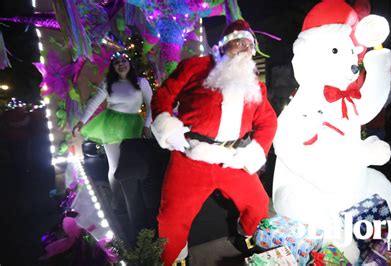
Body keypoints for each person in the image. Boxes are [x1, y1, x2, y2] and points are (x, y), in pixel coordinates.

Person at [150, 19, 277, 265]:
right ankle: (176, 258)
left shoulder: (255, 86)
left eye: (248, 44)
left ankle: (249, 240)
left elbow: (268, 122)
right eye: (237, 42)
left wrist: (254, 151)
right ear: (224, 45)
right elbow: (163, 95)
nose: (242, 48)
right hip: (190, 156)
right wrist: (168, 126)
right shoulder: (196, 66)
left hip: (232, 159)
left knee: (259, 203)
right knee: (172, 216)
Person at [73, 52, 153, 210]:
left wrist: (147, 125)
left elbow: (152, 104)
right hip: (111, 126)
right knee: (115, 166)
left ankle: (134, 200)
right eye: (117, 62)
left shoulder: (141, 82)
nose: (121, 64)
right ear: (113, 67)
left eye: (124, 60)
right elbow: (94, 103)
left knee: (133, 164)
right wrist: (81, 122)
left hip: (133, 126)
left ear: (129, 63)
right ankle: (118, 201)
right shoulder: (108, 83)